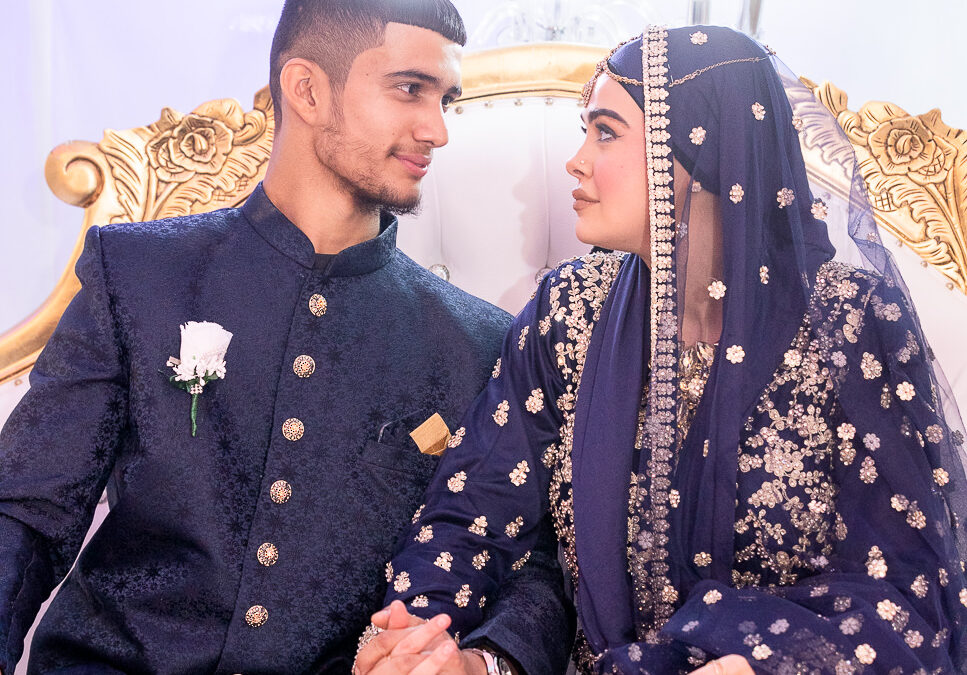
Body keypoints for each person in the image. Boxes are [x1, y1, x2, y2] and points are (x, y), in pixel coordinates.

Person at [363, 25, 967, 674]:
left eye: (605, 132)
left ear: (700, 152)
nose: (575, 162)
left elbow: (907, 588)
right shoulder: (569, 313)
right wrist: (418, 631)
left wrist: (757, 661)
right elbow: (472, 510)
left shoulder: (849, 322)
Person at [0, 1, 574, 673]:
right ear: (306, 89)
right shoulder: (139, 273)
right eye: (409, 89)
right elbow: (28, 511)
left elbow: (534, 569)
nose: (438, 130)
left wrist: (481, 662)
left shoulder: (478, 342)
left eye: (445, 99)